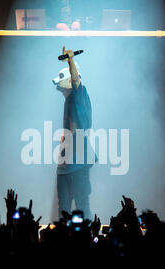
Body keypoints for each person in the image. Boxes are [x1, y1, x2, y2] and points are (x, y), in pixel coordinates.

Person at [52, 46, 96, 219]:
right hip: (66, 162)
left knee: (81, 203)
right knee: (63, 204)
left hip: (78, 160)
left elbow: (77, 81)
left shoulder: (79, 94)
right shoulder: (68, 101)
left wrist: (71, 61)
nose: (59, 87)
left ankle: (86, 237)